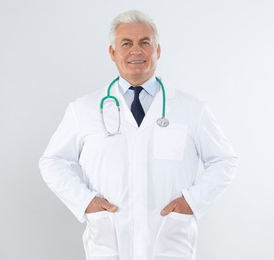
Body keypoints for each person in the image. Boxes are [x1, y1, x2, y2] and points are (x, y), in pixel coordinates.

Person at [39, 10, 238, 260]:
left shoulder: (191, 108)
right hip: (108, 241)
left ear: (158, 50)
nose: (136, 51)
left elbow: (225, 161)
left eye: (145, 42)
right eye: (126, 44)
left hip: (169, 241)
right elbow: (52, 162)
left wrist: (192, 202)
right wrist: (85, 201)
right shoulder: (84, 109)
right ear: (113, 53)